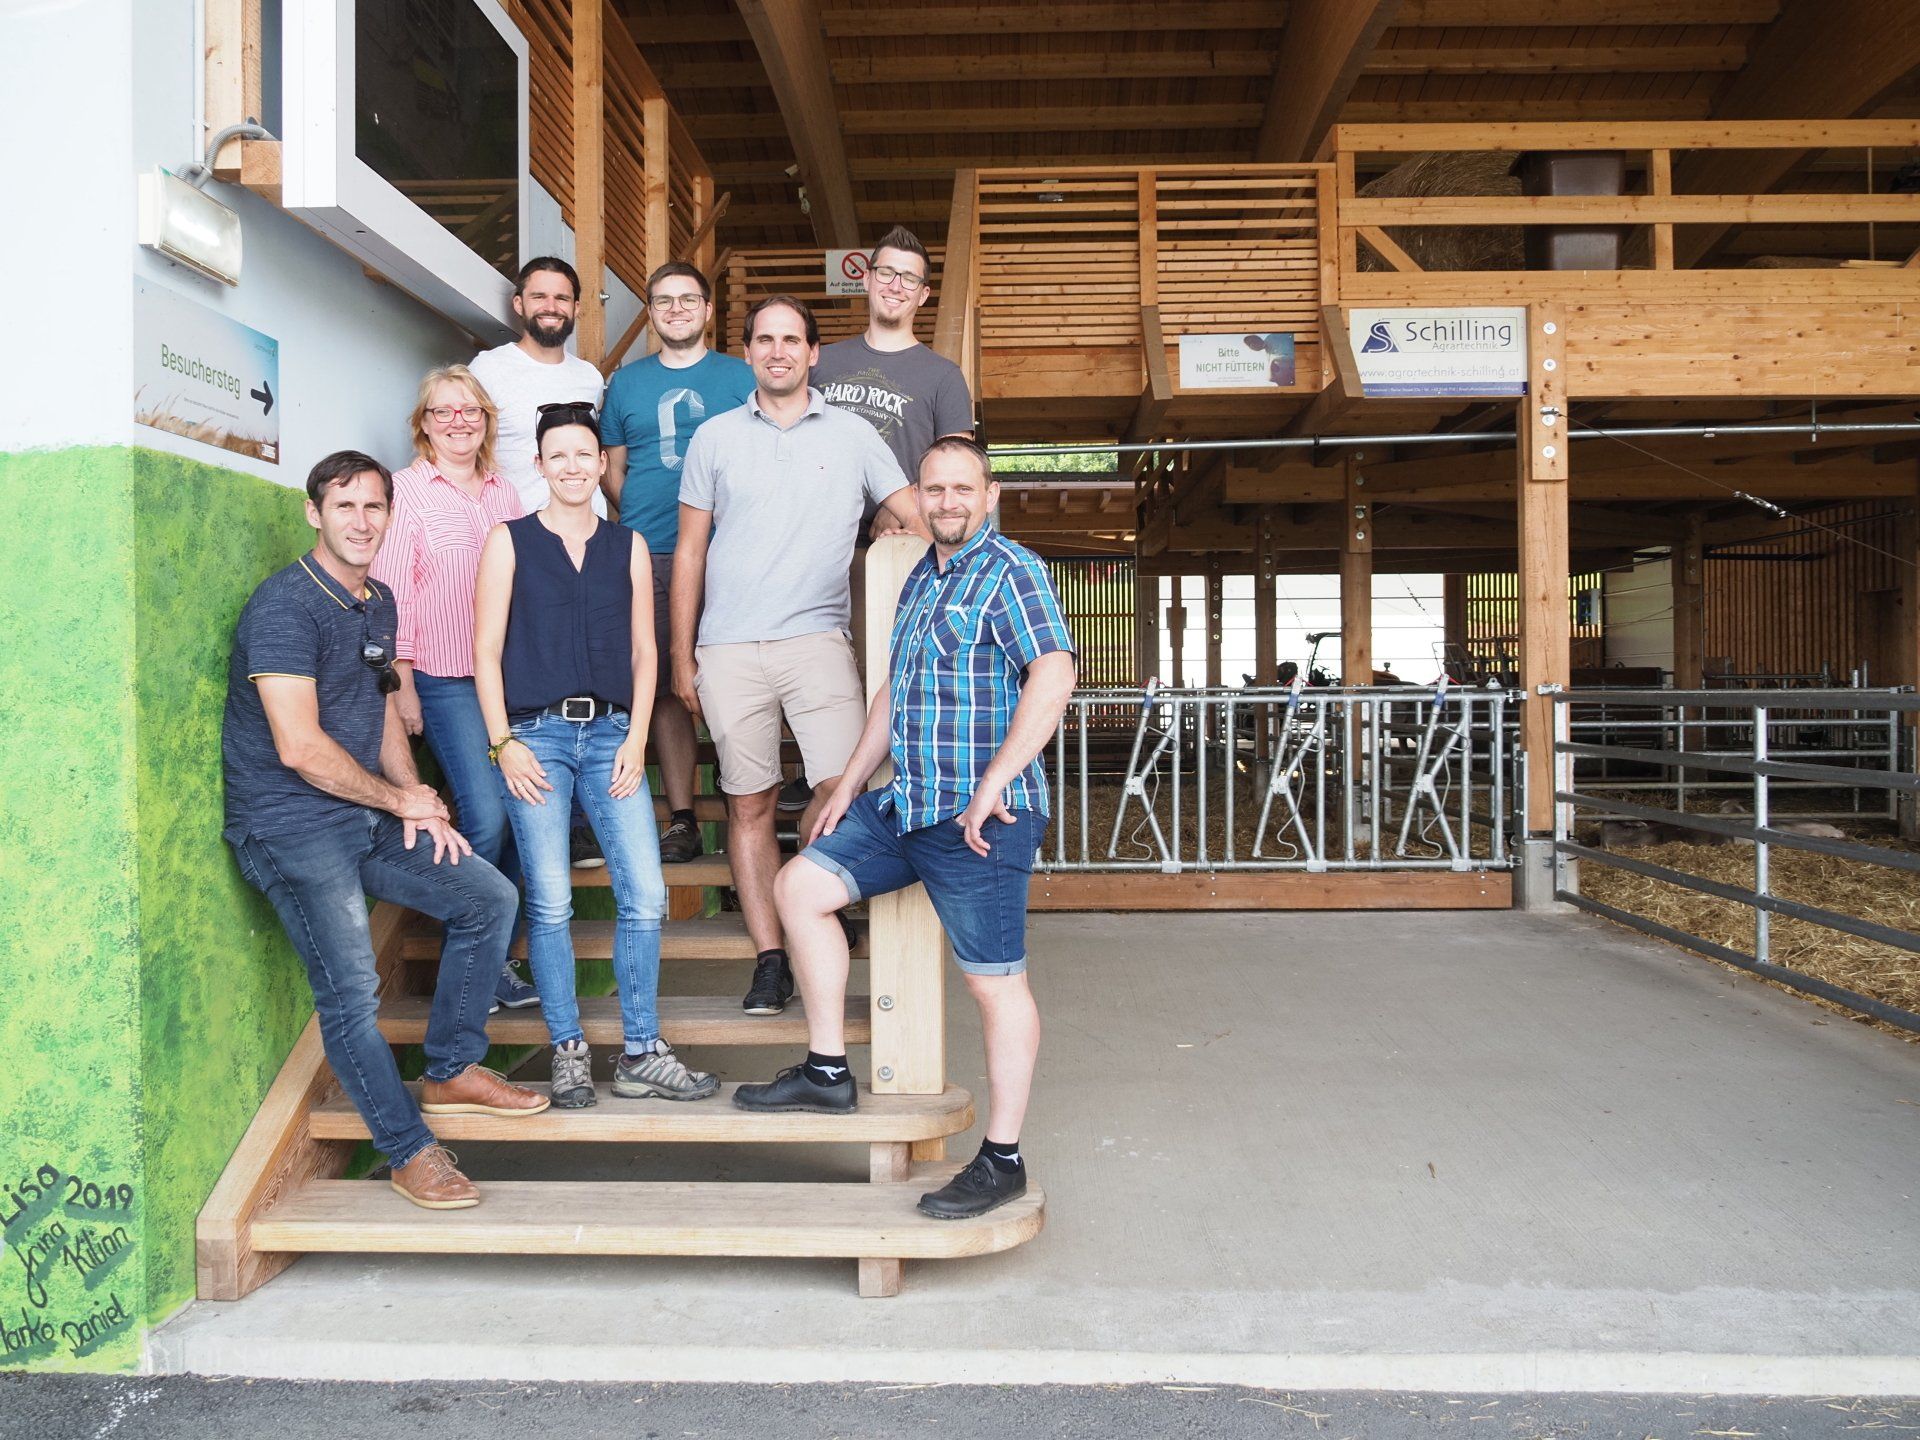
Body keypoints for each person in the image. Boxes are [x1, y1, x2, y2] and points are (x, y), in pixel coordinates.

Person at [735, 437, 1076, 1221]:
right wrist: (850, 782)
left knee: (994, 984)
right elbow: (897, 687)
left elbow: (1054, 675)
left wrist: (995, 781)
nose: (948, 501)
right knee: (799, 887)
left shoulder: (1012, 571)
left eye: (963, 488)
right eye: (935, 489)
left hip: (982, 816)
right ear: (918, 497)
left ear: (990, 495)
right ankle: (827, 1072)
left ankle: (1003, 1159)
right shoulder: (923, 574)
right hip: (908, 803)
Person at [223, 451, 548, 1212]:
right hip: (287, 825)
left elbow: (380, 708)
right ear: (314, 513)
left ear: (390, 516)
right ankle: (408, 1151)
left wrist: (416, 797)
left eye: (374, 506)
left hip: (361, 813)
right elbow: (299, 748)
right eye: (345, 506)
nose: (362, 521)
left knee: (489, 898)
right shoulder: (284, 607)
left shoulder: (379, 600)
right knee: (352, 993)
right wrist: (397, 803)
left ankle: (451, 1068)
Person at [671, 295, 930, 1017]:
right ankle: (771, 958)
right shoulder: (714, 437)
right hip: (728, 645)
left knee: (846, 787)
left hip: (818, 638)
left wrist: (889, 526)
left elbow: (915, 515)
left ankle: (808, 894)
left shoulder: (853, 433)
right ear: (748, 352)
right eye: (765, 339)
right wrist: (680, 654)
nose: (778, 351)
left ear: (814, 353)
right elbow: (689, 551)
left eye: (791, 340)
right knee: (748, 803)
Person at [473, 401, 718, 1108]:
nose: (573, 466)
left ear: (603, 462)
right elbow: (485, 652)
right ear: (539, 464)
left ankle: (641, 1052)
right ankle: (569, 1051)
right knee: (550, 900)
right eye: (559, 455)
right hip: (536, 739)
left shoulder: (628, 545)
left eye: (585, 453)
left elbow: (645, 651)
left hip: (612, 734)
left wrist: (638, 737)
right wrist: (503, 743)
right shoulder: (509, 541)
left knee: (644, 894)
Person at [370, 364, 537, 1013]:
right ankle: (471, 955)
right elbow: (392, 597)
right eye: (443, 411)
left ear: (486, 420)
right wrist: (402, 684)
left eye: (470, 410)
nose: (458, 421)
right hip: (443, 678)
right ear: (424, 424)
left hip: (510, 680)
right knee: (486, 816)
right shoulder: (405, 491)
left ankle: (499, 958)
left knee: (524, 813)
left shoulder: (506, 495)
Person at [600, 262, 753, 866]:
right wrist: (643, 519)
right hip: (653, 551)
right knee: (664, 679)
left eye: (688, 299)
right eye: (663, 300)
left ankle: (749, 805)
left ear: (709, 310)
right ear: (651, 313)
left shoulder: (741, 376)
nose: (676, 309)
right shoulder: (625, 383)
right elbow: (612, 470)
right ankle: (684, 815)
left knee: (741, 676)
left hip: (733, 551)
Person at [470, 255, 609, 869]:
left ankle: (582, 819)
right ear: (519, 305)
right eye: (539, 296)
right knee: (534, 671)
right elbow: (469, 445)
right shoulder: (489, 369)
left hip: (589, 541)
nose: (551, 306)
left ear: (576, 308)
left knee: (589, 665)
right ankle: (552, 814)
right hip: (524, 544)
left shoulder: (590, 378)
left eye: (562, 297)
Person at [813, 225, 974, 482]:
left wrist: (903, 500)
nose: (896, 286)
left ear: (923, 295)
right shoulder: (818, 361)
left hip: (902, 510)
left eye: (909, 278)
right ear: (867, 279)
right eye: (886, 273)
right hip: (821, 508)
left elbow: (955, 475)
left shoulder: (945, 377)